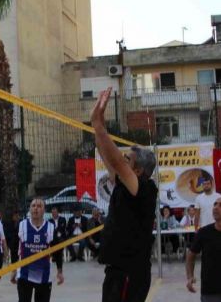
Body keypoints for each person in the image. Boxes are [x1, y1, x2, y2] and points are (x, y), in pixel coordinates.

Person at [92, 88, 158, 302]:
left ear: (138, 171)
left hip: (131, 272)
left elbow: (117, 162)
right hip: (117, 270)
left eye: (128, 159)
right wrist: (98, 120)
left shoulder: (145, 189)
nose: (123, 160)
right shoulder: (125, 184)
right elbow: (107, 156)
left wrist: (98, 126)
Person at [10, 198, 64, 302]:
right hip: (24, 274)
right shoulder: (21, 225)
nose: (36, 208)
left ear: (44, 210)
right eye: (33, 206)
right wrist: (13, 269)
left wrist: (59, 271)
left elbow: (58, 251)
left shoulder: (50, 227)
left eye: (39, 206)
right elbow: (14, 248)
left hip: (44, 275)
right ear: (30, 209)